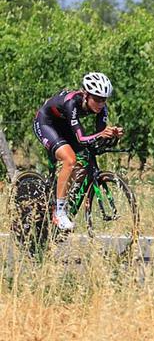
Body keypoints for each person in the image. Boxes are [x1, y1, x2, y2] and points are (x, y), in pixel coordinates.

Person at [34, 72, 123, 230]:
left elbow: (98, 136)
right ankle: (59, 212)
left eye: (104, 99)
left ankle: (61, 194)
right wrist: (101, 134)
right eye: (96, 99)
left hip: (64, 125)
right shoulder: (71, 103)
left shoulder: (102, 108)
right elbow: (82, 138)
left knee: (84, 158)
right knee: (70, 159)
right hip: (46, 123)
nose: (101, 103)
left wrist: (111, 135)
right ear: (85, 95)